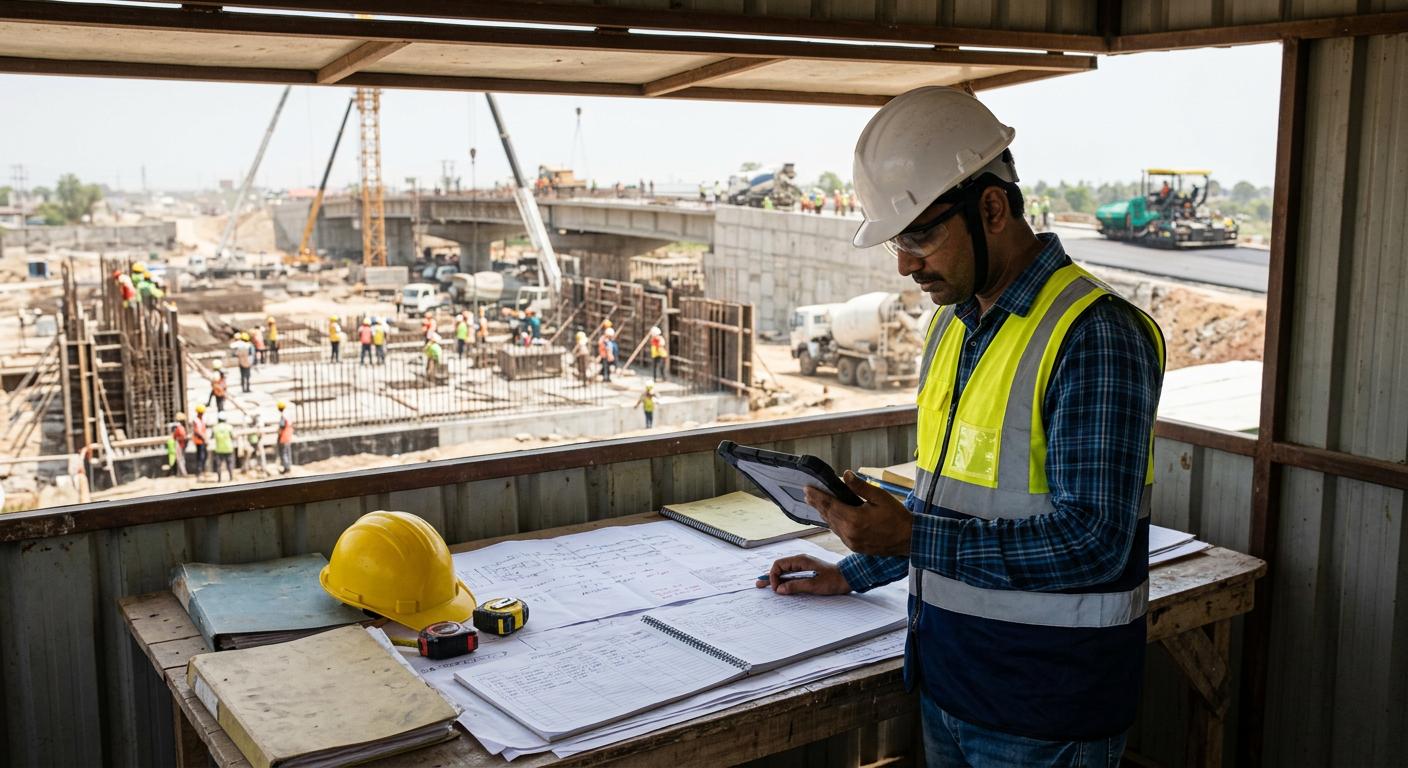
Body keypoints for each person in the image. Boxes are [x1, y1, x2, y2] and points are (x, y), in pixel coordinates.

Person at [758, 87, 1163, 768]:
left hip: (1044, 709)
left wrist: (908, 535)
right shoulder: (953, 325)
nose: (904, 263)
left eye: (919, 235)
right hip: (951, 683)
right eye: (898, 240)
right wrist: (855, 571)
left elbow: (1093, 542)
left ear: (992, 209)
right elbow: (955, 506)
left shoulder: (1094, 335)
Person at [211, 412, 235, 483]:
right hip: (228, 448)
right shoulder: (229, 427)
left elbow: (212, 436)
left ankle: (219, 479)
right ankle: (231, 478)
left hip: (219, 449)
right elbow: (232, 436)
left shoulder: (215, 428)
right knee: (229, 463)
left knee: (218, 464)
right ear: (225, 419)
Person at [191, 405, 209, 479]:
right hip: (199, 441)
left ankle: (202, 471)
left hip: (202, 441)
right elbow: (198, 431)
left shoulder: (201, 420)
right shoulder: (196, 420)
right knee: (201, 457)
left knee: (204, 456)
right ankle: (199, 472)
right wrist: (205, 439)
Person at [277, 401, 294, 475]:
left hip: (283, 438)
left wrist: (278, 432)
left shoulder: (283, 417)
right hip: (288, 437)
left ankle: (286, 468)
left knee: (284, 453)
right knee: (288, 453)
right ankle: (288, 466)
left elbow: (282, 426)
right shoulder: (288, 416)